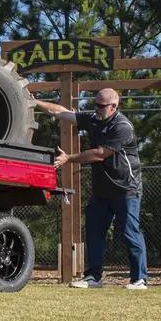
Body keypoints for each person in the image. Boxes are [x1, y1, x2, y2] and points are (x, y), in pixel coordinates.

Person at [36, 89, 148, 290]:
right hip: (102, 192)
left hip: (126, 190)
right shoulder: (93, 119)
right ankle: (93, 277)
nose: (96, 109)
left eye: (101, 106)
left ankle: (139, 279)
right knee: (94, 233)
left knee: (130, 233)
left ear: (113, 107)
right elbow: (60, 113)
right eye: (95, 104)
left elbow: (99, 154)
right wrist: (34, 102)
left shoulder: (122, 127)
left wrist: (69, 158)